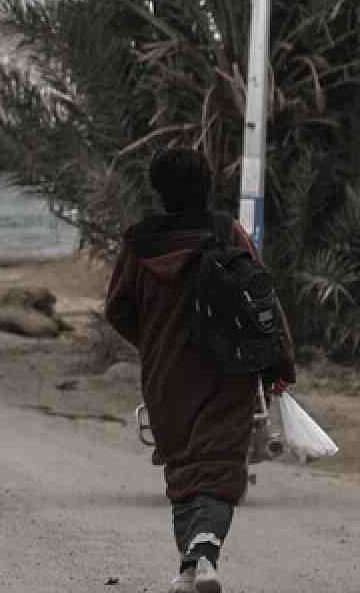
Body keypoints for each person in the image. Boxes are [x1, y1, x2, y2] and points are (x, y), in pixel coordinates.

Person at [104, 148, 295, 593]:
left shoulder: (139, 243)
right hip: (227, 368)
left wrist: (152, 342)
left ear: (158, 190)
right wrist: (278, 362)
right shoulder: (225, 231)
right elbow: (263, 297)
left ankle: (191, 566)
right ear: (207, 185)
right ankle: (204, 556)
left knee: (183, 465)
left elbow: (117, 309)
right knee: (220, 463)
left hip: (165, 372)